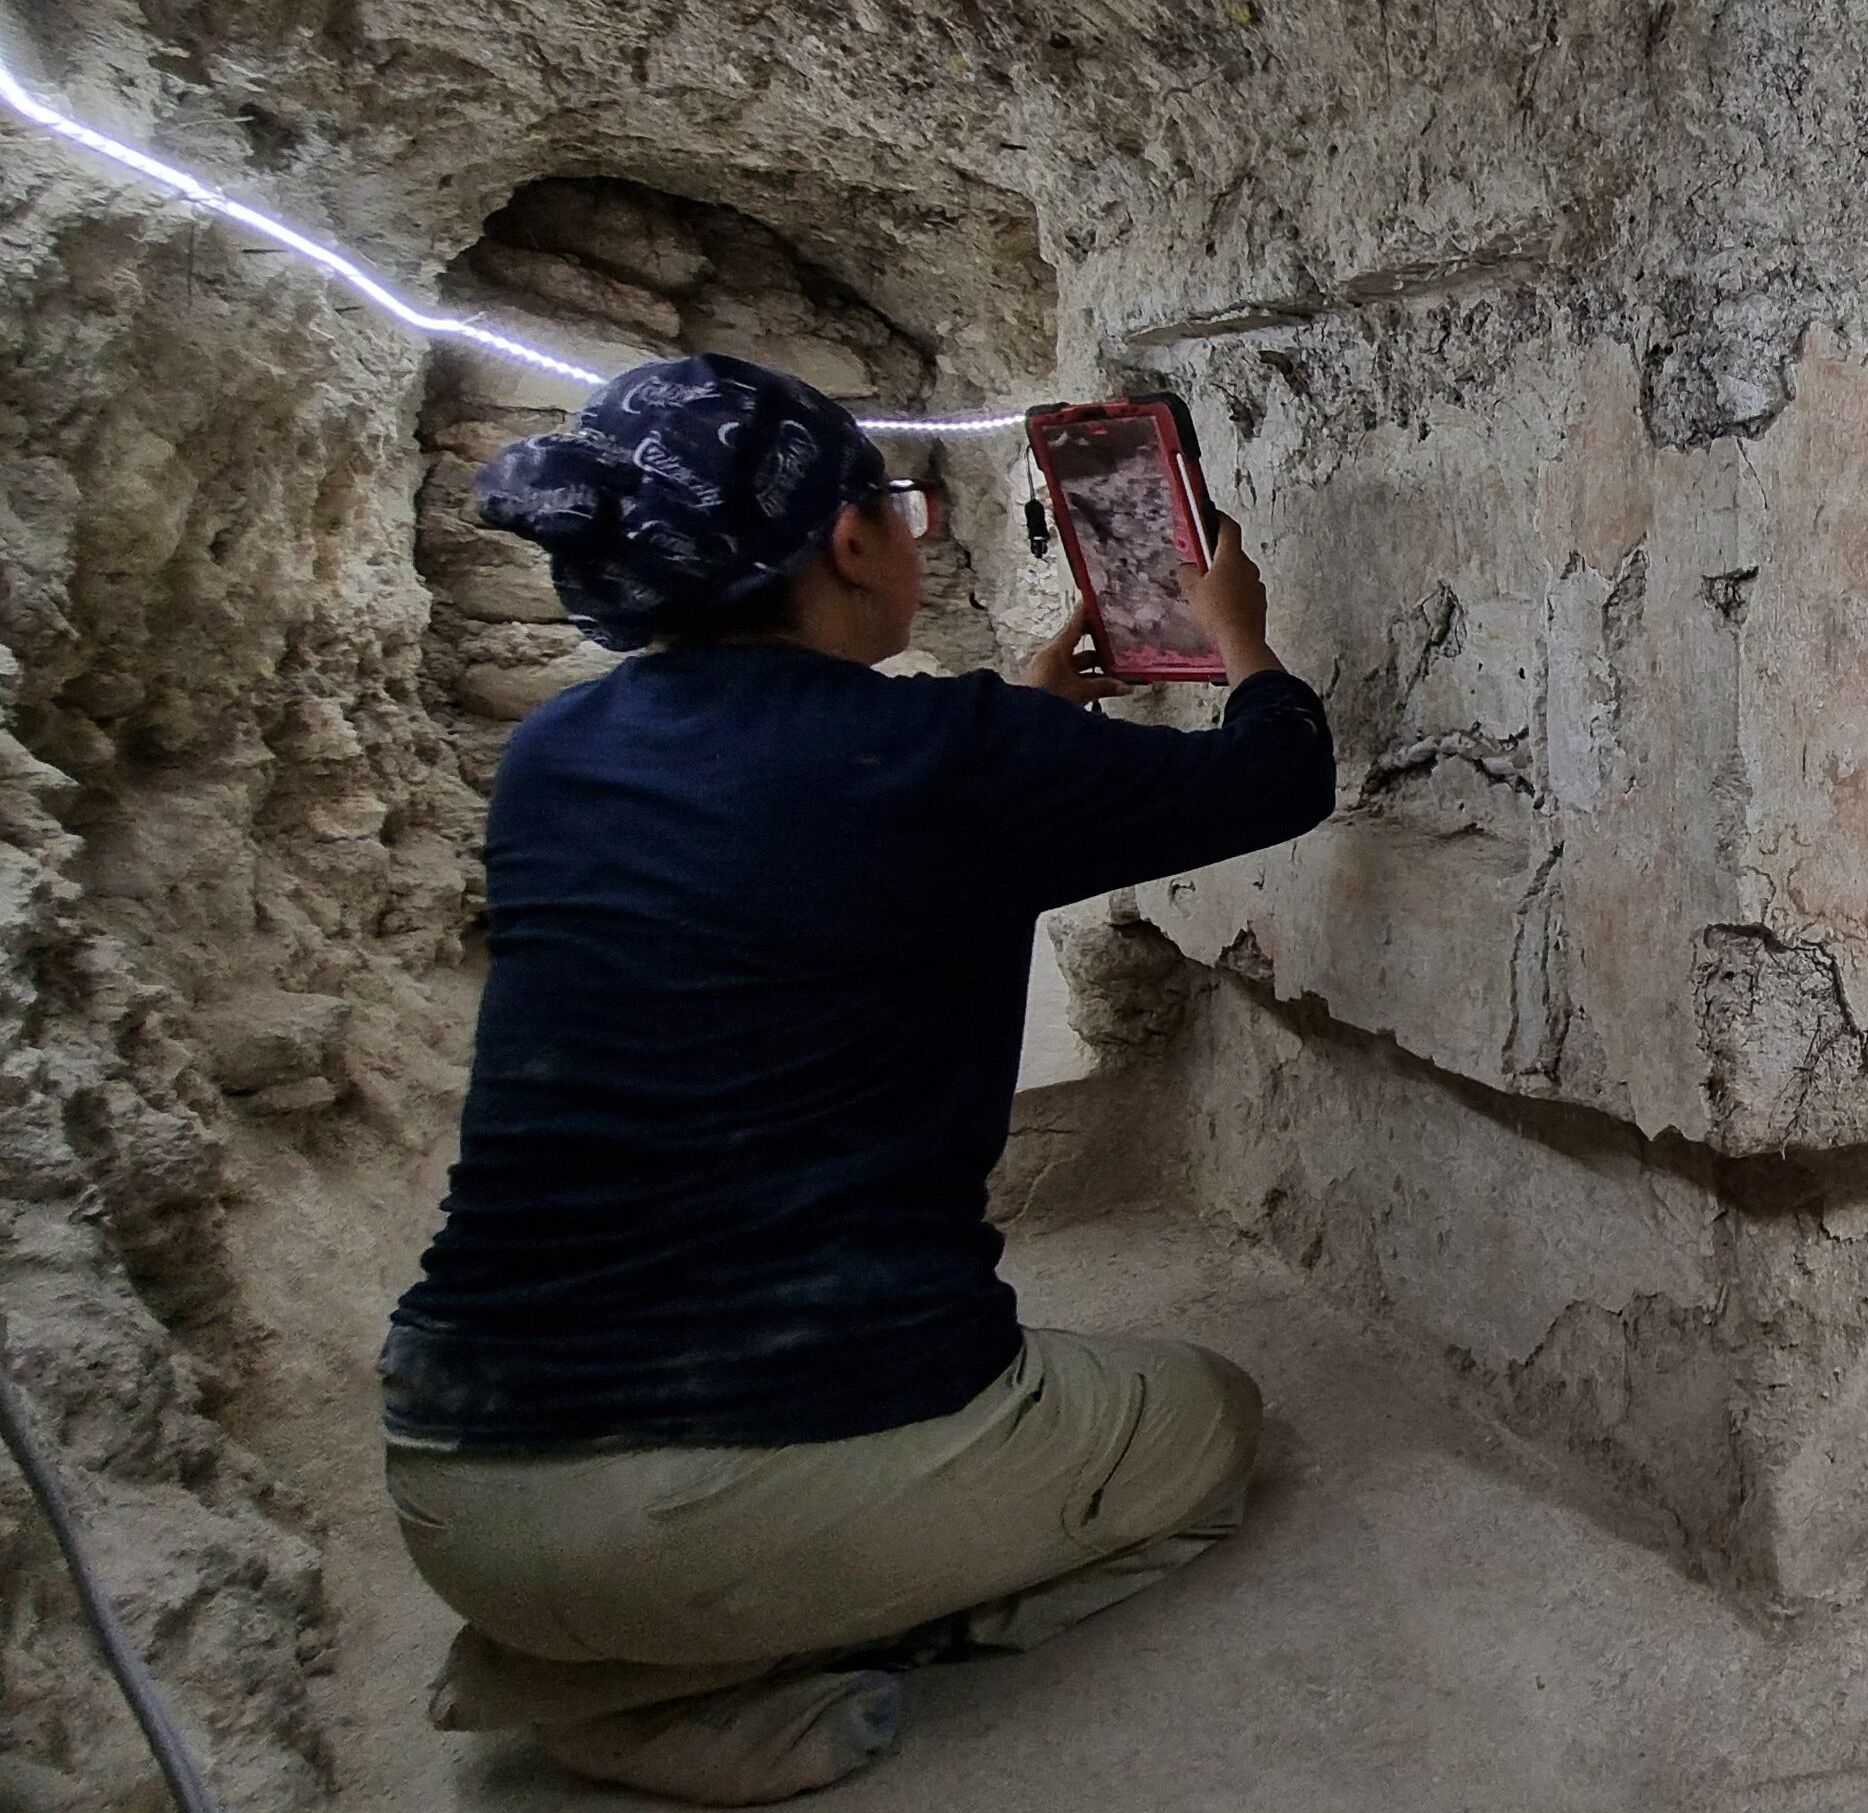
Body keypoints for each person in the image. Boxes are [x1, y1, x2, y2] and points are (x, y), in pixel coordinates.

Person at [376, 355, 1334, 1804]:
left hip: (449, 1478)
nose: (910, 528)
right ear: (844, 541)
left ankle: (573, 1655)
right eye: (896, 504)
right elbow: (1279, 779)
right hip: (738, 1482)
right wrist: (1237, 636)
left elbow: (811, 829)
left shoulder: (556, 753)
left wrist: (1020, 719)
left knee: (655, 1543)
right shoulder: (940, 760)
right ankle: (721, 1672)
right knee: (1208, 1426)